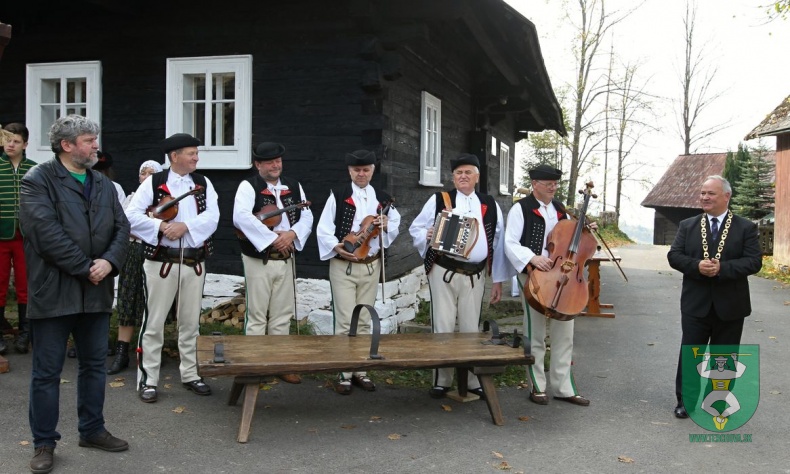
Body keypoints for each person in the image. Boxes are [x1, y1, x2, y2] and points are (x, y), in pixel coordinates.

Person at [20, 115, 130, 473]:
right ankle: (44, 443)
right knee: (47, 372)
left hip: (96, 293)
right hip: (54, 292)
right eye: (88, 140)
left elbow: (122, 227)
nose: (95, 145)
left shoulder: (103, 183)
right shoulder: (37, 181)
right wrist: (87, 267)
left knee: (95, 366)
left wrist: (109, 263)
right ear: (67, 146)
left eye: (94, 139)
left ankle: (92, 430)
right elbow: (44, 234)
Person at [126, 133, 219, 403]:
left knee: (190, 323)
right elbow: (131, 215)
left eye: (196, 153)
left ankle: (190, 374)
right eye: (191, 153)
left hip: (194, 262)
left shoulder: (203, 183)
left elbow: (213, 216)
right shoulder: (155, 182)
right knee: (153, 323)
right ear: (174, 156)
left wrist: (186, 226)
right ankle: (148, 379)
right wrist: (162, 226)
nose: (196, 157)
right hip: (161, 262)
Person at [409, 153, 511, 400]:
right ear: (453, 177)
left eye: (468, 172)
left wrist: (497, 279)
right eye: (458, 173)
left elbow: (498, 241)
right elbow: (416, 228)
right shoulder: (438, 200)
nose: (463, 176)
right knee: (442, 325)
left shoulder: (489, 203)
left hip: (475, 275)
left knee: (470, 328)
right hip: (443, 270)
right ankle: (442, 380)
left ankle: (473, 380)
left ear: (477, 176)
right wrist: (429, 234)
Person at [667, 175, 761, 419]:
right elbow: (674, 256)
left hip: (731, 305)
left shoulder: (745, 227)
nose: (705, 197)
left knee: (725, 358)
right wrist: (697, 265)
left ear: (726, 196)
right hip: (695, 304)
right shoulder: (688, 225)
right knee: (691, 354)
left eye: (711, 193)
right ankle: (686, 403)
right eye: (703, 193)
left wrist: (723, 268)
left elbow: (754, 262)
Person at [503, 164, 592, 407]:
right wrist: (532, 257)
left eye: (555, 184)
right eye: (548, 184)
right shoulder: (520, 209)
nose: (553, 188)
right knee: (536, 333)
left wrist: (584, 230)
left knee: (565, 334)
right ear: (534, 184)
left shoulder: (561, 210)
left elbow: (572, 244)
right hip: (536, 276)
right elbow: (510, 242)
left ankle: (564, 387)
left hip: (564, 278)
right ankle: (537, 385)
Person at [316, 149, 400, 395]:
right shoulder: (339, 195)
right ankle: (344, 372)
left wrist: (386, 225)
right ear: (349, 171)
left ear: (373, 171)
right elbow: (323, 229)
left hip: (371, 265)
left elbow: (395, 226)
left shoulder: (383, 200)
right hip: (344, 266)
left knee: (364, 320)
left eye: (365, 170)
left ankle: (361, 370)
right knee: (344, 320)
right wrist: (337, 247)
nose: (361, 174)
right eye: (356, 170)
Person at [232, 142, 313, 384]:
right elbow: (241, 217)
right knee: (257, 314)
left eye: (278, 160)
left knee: (281, 313)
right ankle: (254, 366)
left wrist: (292, 235)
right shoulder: (249, 186)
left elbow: (306, 215)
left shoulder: (293, 186)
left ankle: (279, 362)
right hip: (259, 259)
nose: (275, 165)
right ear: (258, 164)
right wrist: (271, 239)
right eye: (269, 162)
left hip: (286, 258)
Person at [106, 160, 163, 375]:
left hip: (158, 254)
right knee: (128, 299)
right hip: (133, 252)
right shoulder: (131, 200)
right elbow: (123, 226)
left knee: (154, 301)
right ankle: (122, 352)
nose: (147, 176)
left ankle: (149, 351)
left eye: (152, 173)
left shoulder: (164, 203)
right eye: (143, 173)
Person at [0, 123, 35, 354]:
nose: (10, 145)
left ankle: (25, 333)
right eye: (7, 140)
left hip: (26, 238)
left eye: (15, 141)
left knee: (25, 285)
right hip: (1, 236)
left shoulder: (34, 169)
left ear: (25, 144)